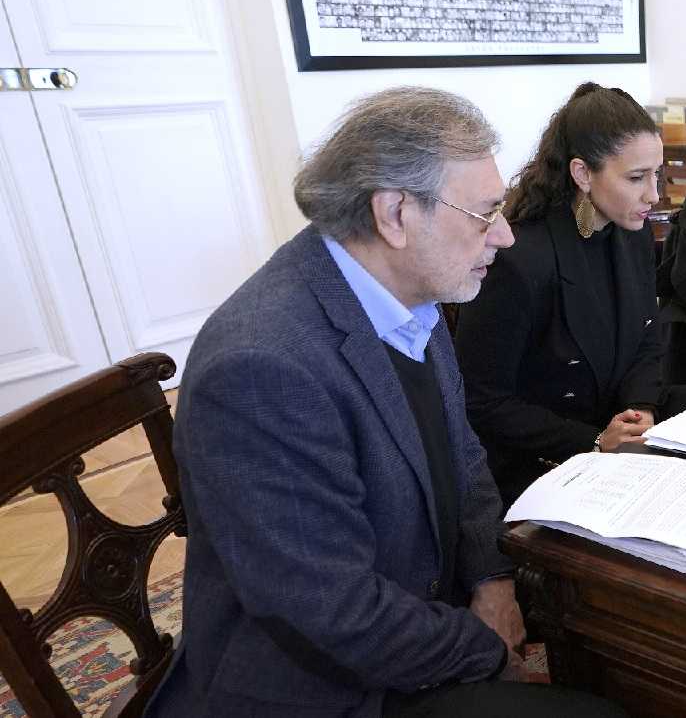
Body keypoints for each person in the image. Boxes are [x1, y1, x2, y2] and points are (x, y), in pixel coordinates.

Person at [146, 88, 622, 717]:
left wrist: (491, 577)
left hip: (413, 619)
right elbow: (332, 612)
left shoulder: (410, 294)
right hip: (324, 687)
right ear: (395, 213)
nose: (505, 236)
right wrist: (482, 650)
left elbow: (463, 454)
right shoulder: (262, 369)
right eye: (485, 213)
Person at [455, 83, 686, 505]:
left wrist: (641, 408)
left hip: (616, 420)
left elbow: (648, 335)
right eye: (636, 178)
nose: (654, 195)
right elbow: (484, 401)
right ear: (582, 174)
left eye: (656, 174)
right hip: (546, 452)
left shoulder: (634, 230)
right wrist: (593, 442)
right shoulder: (521, 259)